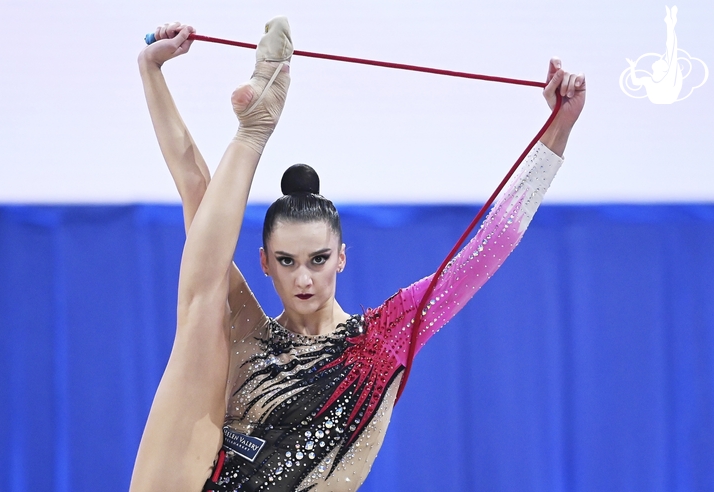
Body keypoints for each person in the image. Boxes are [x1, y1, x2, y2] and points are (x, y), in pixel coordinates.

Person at [130, 17, 586, 492]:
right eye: (286, 261)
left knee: (204, 290)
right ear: (264, 263)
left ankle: (254, 129)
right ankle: (253, 132)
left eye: (318, 260)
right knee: (202, 295)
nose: (303, 279)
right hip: (201, 479)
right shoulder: (249, 332)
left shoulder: (381, 342)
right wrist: (151, 70)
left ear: (342, 257)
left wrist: (557, 132)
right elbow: (195, 191)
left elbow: (482, 255)